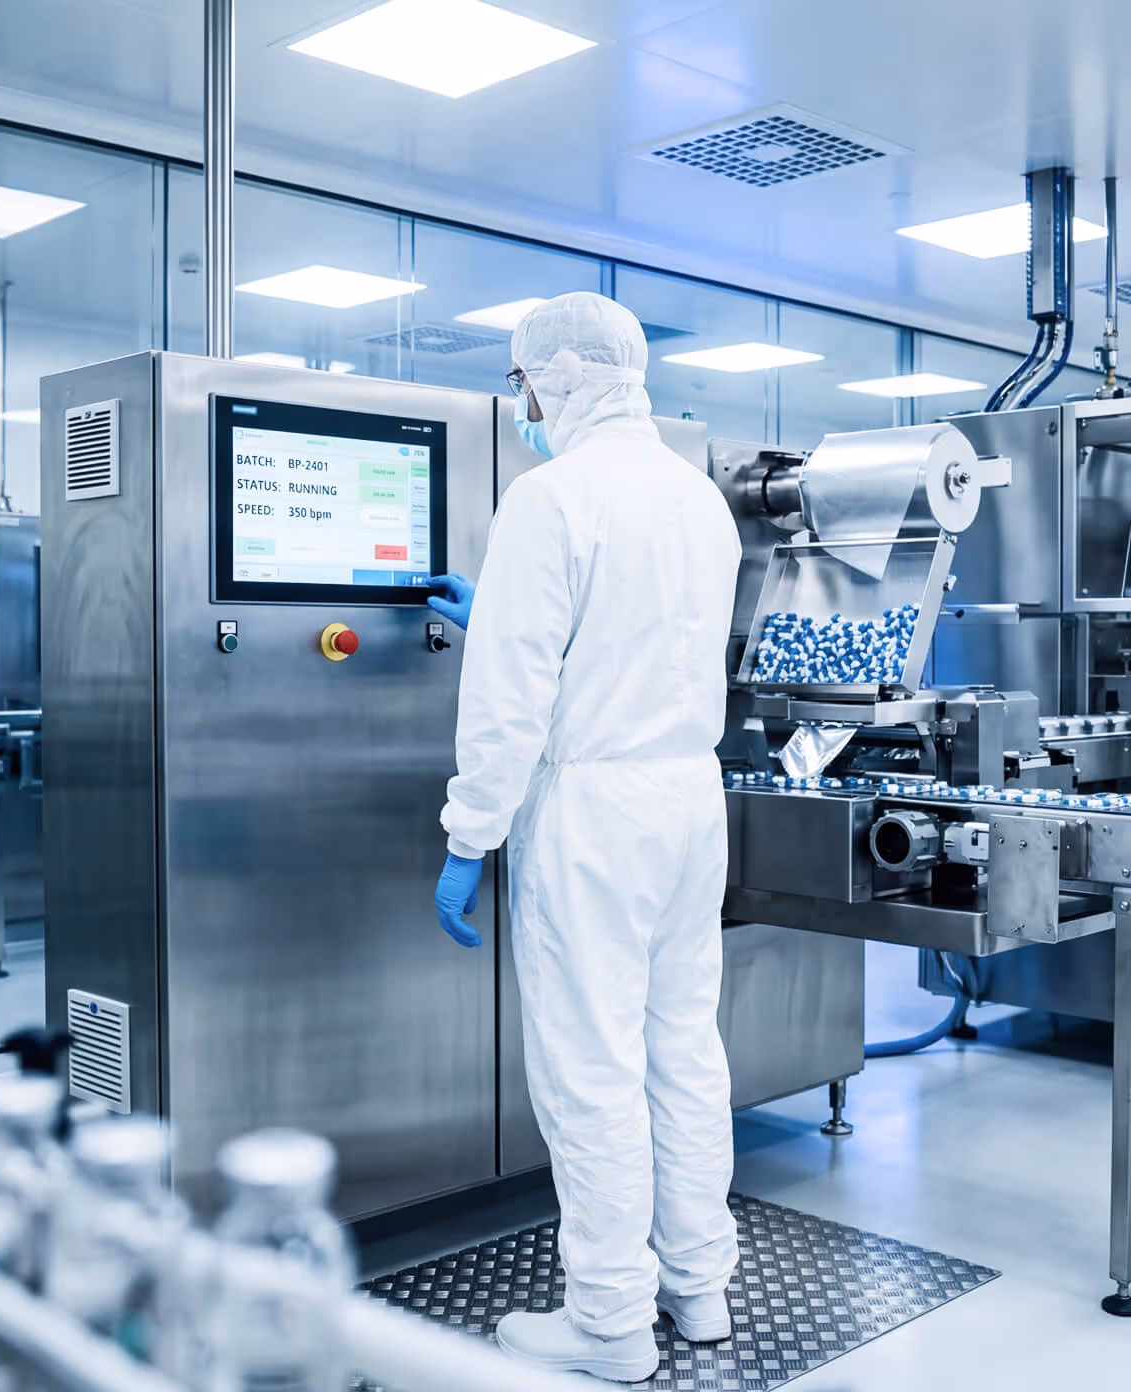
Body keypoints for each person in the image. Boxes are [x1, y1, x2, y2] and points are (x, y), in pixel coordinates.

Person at [428, 292, 742, 1383]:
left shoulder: (552, 498)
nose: (521, 406)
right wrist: (502, 609)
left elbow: (510, 696)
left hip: (594, 814)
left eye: (521, 385)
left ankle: (609, 1322)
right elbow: (636, 640)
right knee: (682, 1048)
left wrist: (471, 836)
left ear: (556, 378)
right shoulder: (700, 501)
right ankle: (700, 1289)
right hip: (688, 804)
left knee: (591, 1064)